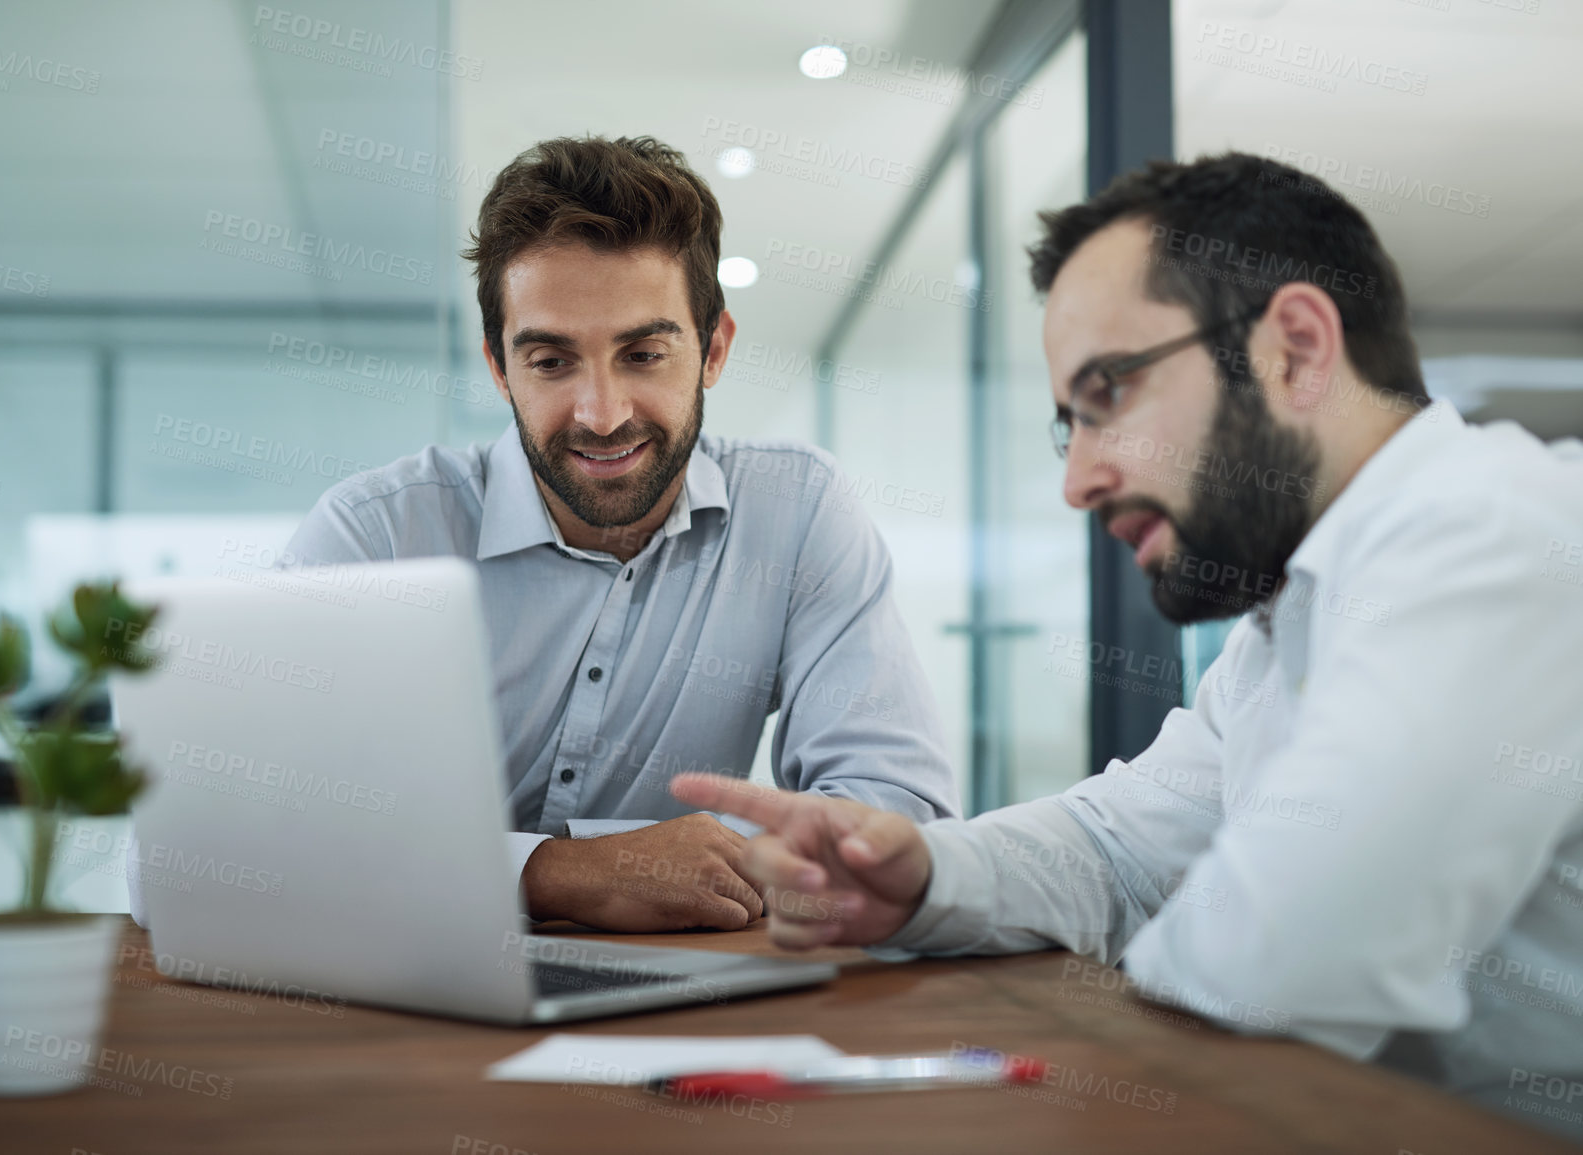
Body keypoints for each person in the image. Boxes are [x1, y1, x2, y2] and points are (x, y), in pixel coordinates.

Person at [673, 152, 1583, 1137]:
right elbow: (1117, 852)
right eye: (1072, 426)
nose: (1080, 481)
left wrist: (1156, 931)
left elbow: (1274, 967)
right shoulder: (1291, 618)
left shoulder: (1496, 533)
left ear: (1298, 348)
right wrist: (922, 877)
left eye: (1110, 394)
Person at [281, 135, 959, 932]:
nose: (602, 414)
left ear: (713, 349)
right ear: (499, 367)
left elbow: (897, 816)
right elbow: (215, 846)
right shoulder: (375, 535)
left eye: (642, 353)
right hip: (406, 1001)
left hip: (692, 996)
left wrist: (669, 864)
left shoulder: (797, 510)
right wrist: (558, 872)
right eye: (551, 362)